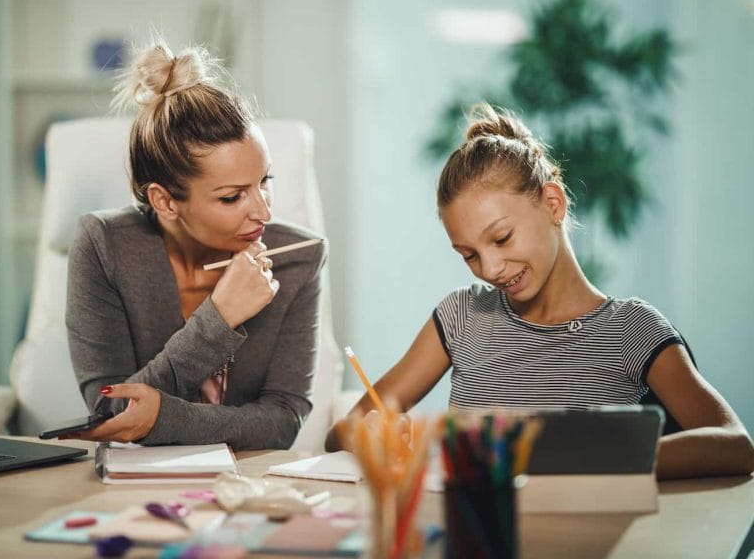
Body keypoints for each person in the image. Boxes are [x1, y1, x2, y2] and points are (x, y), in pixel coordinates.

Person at [326, 103, 754, 479]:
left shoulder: (631, 329)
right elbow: (343, 430)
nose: (489, 269)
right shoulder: (461, 318)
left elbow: (735, 445)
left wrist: (598, 460)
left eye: (502, 238)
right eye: (468, 254)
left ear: (553, 203)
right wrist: (377, 433)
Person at [63, 40, 326, 450]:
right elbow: (111, 413)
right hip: (126, 488)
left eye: (265, 183)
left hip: (246, 487)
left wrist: (164, 418)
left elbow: (283, 421)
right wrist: (219, 319)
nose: (263, 213)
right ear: (164, 201)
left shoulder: (299, 258)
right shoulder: (105, 246)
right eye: (231, 196)